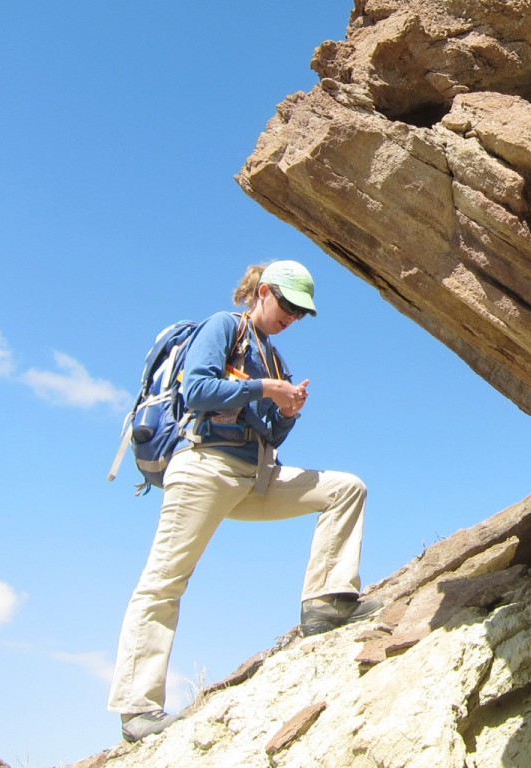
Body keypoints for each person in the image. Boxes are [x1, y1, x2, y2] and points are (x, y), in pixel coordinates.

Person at [107, 260, 380, 743]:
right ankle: (137, 708)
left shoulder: (274, 360)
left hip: (255, 475)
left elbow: (270, 432)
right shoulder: (223, 327)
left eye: (302, 313)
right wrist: (262, 388)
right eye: (289, 305)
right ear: (265, 292)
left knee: (346, 488)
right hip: (203, 470)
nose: (292, 318)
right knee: (164, 581)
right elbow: (196, 390)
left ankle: (326, 603)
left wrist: (288, 411)